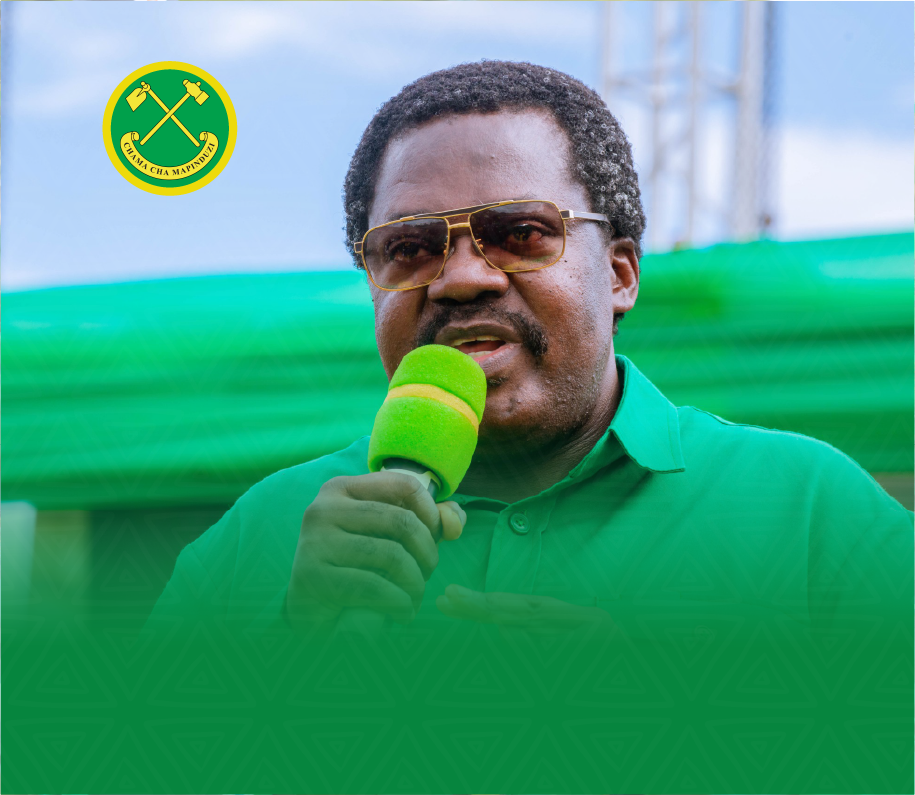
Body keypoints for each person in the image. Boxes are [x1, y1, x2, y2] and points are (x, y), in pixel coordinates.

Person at [142, 59, 910, 793]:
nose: (461, 277)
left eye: (519, 233)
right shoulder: (254, 541)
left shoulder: (811, 511)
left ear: (619, 273)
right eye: (408, 248)